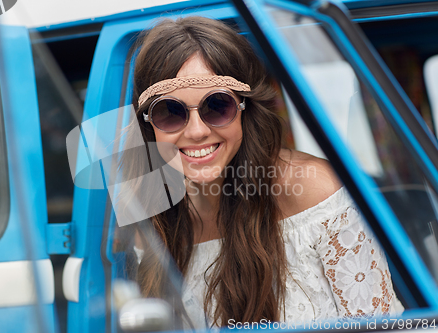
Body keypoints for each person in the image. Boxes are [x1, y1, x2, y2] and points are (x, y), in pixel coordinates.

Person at [125, 16, 404, 329]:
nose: (197, 131)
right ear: (149, 125)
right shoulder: (151, 218)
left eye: (217, 106)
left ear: (245, 109)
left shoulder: (315, 190)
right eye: (170, 112)